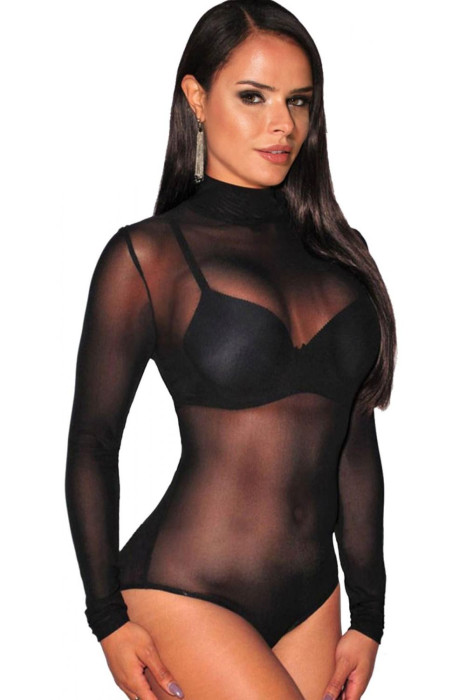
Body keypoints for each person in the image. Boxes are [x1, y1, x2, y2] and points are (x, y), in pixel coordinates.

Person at [65, 1, 397, 699]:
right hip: (187, 586)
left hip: (314, 602)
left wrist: (369, 614)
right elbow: (93, 443)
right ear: (196, 98)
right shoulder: (148, 257)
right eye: (253, 97)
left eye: (298, 101)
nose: (284, 125)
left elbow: (354, 443)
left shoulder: (339, 254)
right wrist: (107, 619)